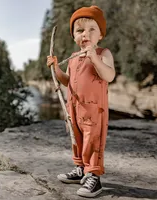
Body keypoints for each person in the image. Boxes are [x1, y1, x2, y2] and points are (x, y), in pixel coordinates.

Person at [47, 5, 115, 198]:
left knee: (93, 141)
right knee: (76, 139)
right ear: (74, 36)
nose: (85, 34)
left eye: (92, 29)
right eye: (80, 30)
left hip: (94, 110)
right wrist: (56, 69)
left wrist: (94, 58)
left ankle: (94, 175)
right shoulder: (74, 58)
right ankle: (80, 169)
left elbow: (109, 75)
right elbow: (68, 81)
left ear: (100, 35)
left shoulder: (103, 53)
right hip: (74, 108)